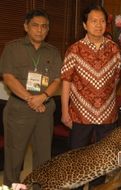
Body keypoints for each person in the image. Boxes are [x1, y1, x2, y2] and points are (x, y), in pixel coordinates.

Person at [60, 4, 121, 189]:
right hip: (80, 114)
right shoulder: (74, 49)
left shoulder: (114, 49)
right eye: (93, 21)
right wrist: (65, 111)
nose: (98, 25)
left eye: (102, 21)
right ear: (85, 25)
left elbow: (116, 79)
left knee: (102, 161)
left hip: (107, 115)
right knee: (77, 160)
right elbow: (66, 81)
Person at [0, 9, 62, 186]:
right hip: (19, 109)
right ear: (26, 27)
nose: (40, 30)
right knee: (14, 155)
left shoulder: (53, 51)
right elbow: (8, 78)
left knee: (43, 156)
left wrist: (42, 97)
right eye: (35, 25)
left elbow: (57, 79)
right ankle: (11, 187)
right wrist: (31, 99)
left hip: (45, 109)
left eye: (44, 26)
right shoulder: (13, 48)